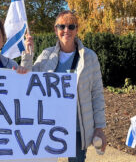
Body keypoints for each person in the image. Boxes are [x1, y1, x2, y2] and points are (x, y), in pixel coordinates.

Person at [22, 10, 107, 162]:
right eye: (61, 26)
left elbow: (97, 94)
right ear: (56, 30)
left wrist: (99, 128)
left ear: (77, 29)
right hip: (48, 124)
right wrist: (28, 55)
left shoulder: (89, 57)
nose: (66, 30)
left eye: (71, 26)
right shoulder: (46, 55)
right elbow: (27, 82)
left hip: (77, 127)